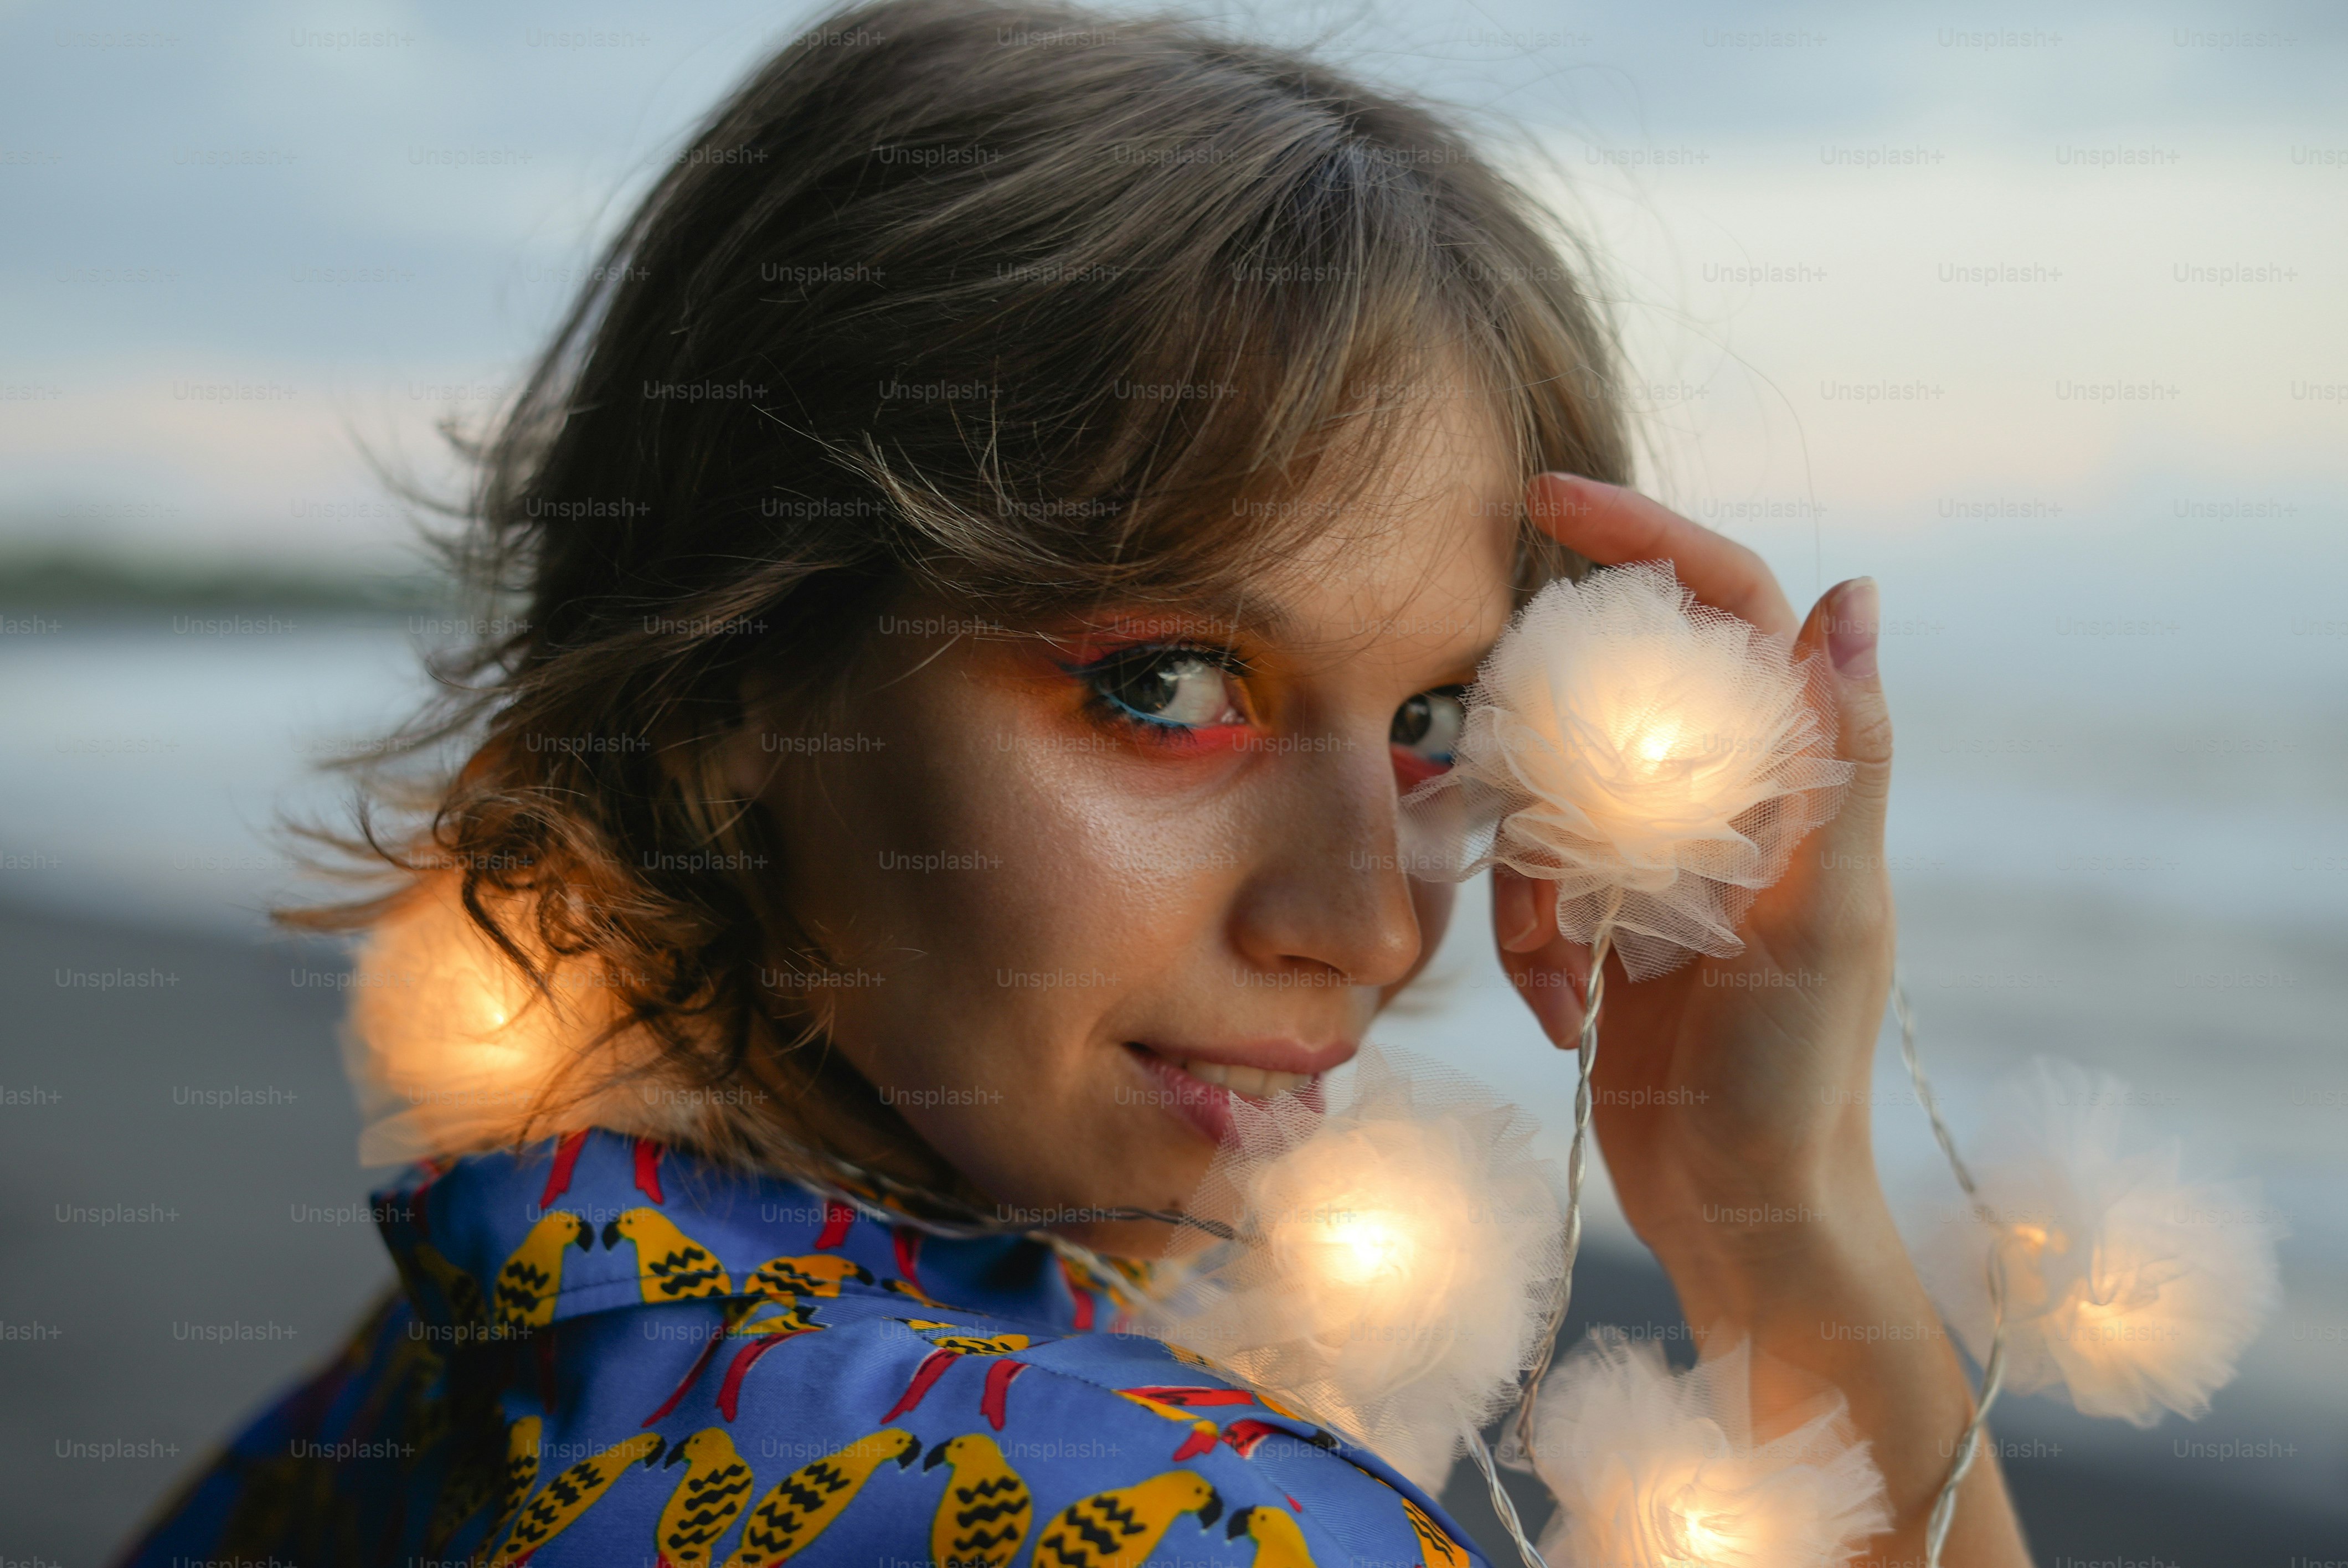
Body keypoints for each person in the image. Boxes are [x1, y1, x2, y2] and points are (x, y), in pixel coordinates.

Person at [121, 2, 2030, 1563]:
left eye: (1439, 723)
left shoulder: (532, 1298)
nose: (1370, 924)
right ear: (736, 681)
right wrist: (1795, 1219)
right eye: (1172, 687)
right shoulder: (1152, 1518)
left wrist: (1741, 1168)